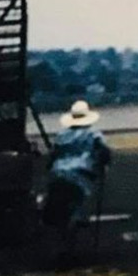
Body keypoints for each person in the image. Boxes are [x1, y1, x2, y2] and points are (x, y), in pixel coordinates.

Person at [42, 101, 113, 236]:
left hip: (58, 172)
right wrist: (104, 164)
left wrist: (49, 168)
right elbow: (104, 152)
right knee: (78, 201)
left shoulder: (62, 135)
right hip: (81, 173)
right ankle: (75, 224)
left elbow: (53, 155)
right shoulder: (93, 135)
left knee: (57, 203)